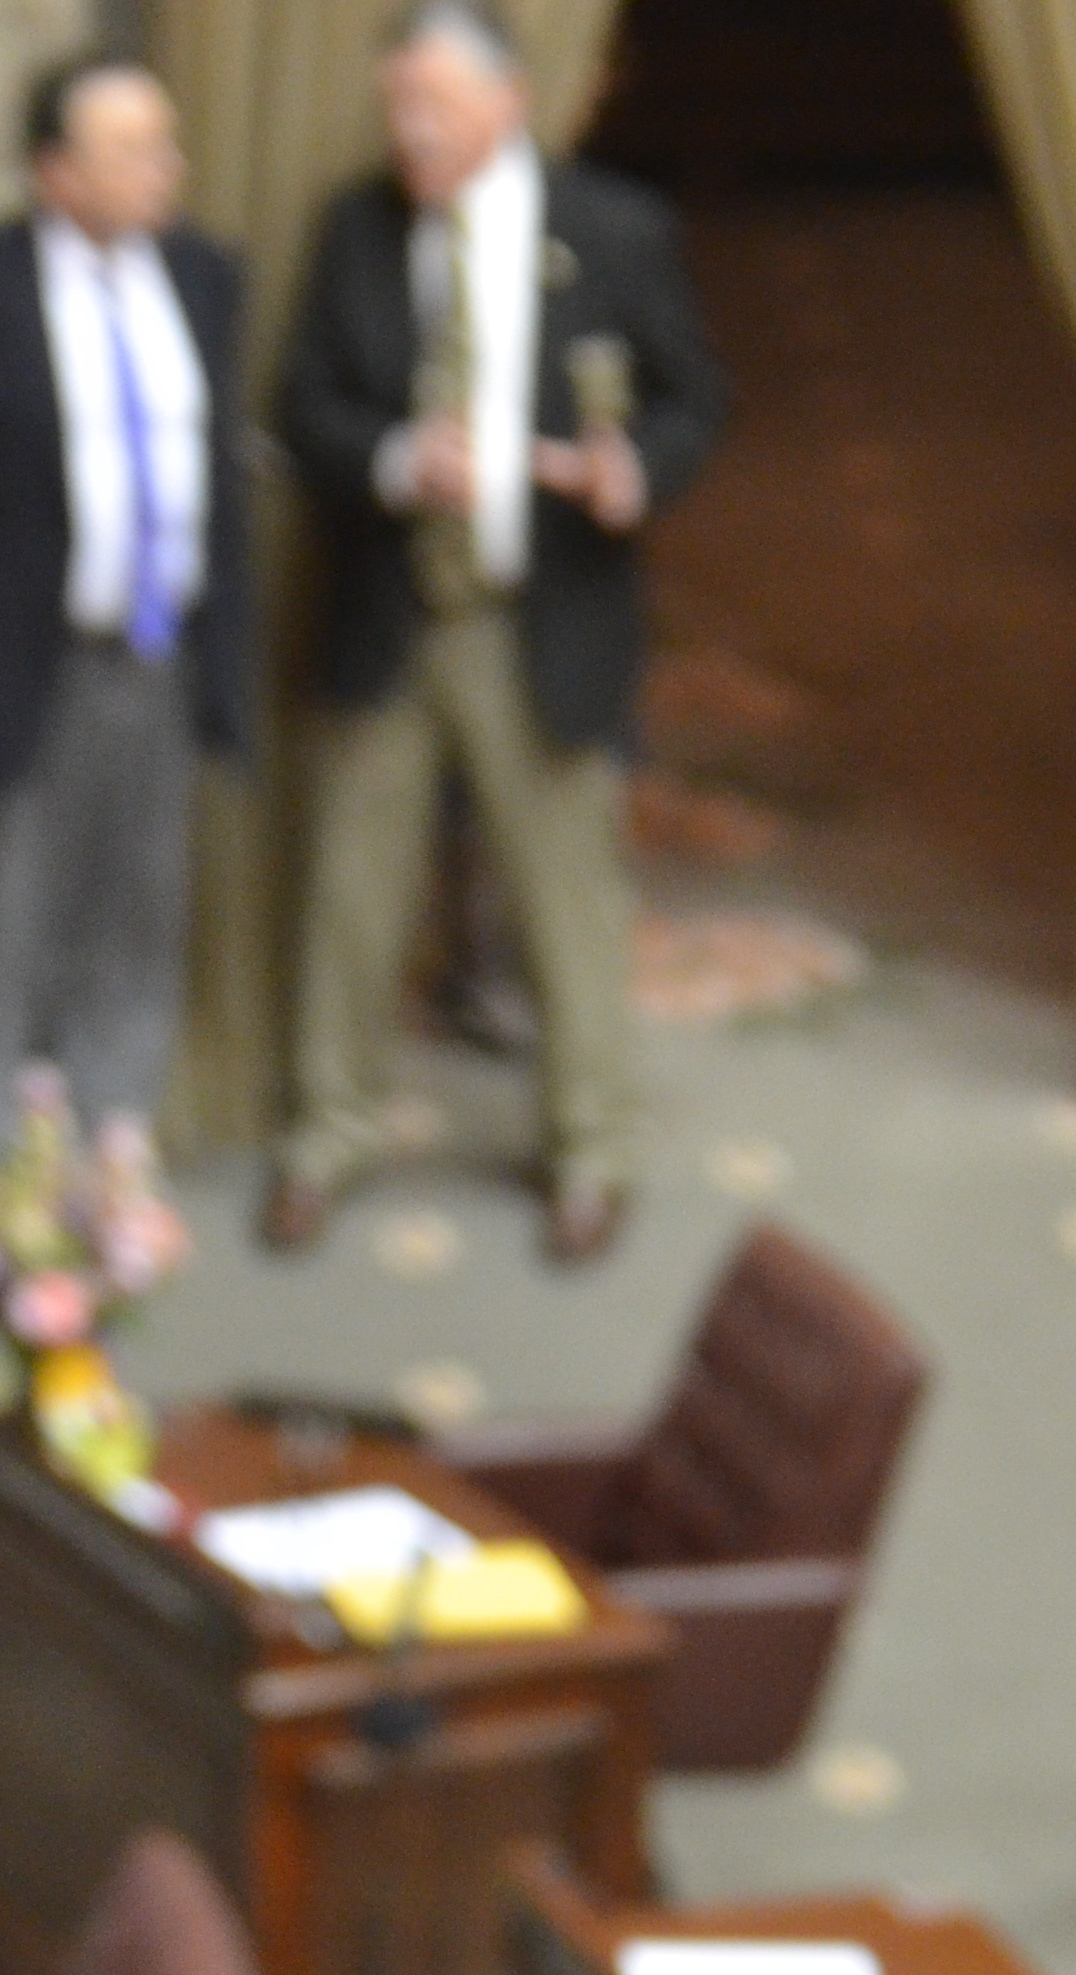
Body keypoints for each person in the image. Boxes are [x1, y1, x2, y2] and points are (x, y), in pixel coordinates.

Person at [260, 0, 722, 1269]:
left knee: (564, 900)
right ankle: (327, 1132)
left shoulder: (611, 230)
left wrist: (636, 474)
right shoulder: (356, 227)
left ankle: (587, 1148)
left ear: (507, 103)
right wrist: (402, 458)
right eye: (399, 107)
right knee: (351, 897)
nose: (411, 132)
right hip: (393, 612)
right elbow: (304, 408)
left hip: (543, 615)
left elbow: (693, 399)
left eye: (437, 110)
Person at [0, 49, 251, 1171]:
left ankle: (107, 1157)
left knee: (134, 921)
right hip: (18, 663)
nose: (162, 170)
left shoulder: (203, 280)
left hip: (160, 660)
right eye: (130, 151)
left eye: (164, 145)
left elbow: (217, 476)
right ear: (53, 173)